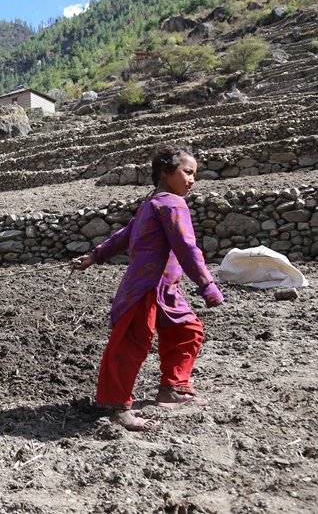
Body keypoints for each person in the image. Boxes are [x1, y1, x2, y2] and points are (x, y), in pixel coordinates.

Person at [73, 143, 225, 431]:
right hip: (146, 287)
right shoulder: (170, 204)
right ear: (166, 172)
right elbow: (186, 248)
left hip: (167, 289)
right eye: (188, 172)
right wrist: (208, 286)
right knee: (131, 343)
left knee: (187, 331)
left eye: (194, 174)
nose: (192, 180)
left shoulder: (150, 205)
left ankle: (172, 389)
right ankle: (117, 406)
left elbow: (122, 237)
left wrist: (94, 256)